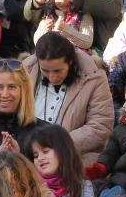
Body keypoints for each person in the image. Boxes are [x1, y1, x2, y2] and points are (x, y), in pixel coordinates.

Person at [23, 31, 113, 163]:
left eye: (58, 70)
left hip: (72, 160)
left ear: (70, 62)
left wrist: (58, 145)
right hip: (27, 155)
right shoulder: (24, 72)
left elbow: (100, 126)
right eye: (46, 71)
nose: (52, 77)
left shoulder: (94, 78)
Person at [0, 58, 43, 151]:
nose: (5, 94)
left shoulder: (42, 132)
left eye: (12, 87)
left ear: (24, 90)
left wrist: (18, 158)